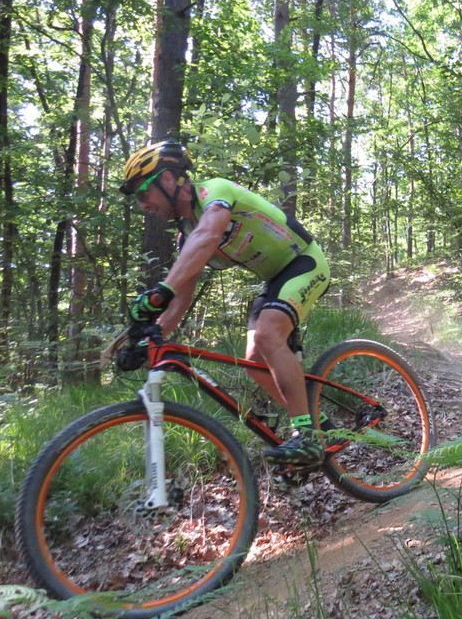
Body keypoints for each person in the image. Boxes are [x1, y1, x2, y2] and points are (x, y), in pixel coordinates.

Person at [120, 138, 332, 466]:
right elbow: (182, 296)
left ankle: (307, 435)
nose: (143, 205)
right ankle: (319, 424)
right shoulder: (187, 233)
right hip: (275, 279)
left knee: (267, 334)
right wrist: (152, 336)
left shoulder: (214, 192)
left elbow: (208, 237)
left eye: (142, 193)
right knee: (253, 361)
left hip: (304, 261)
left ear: (167, 179)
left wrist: (160, 291)